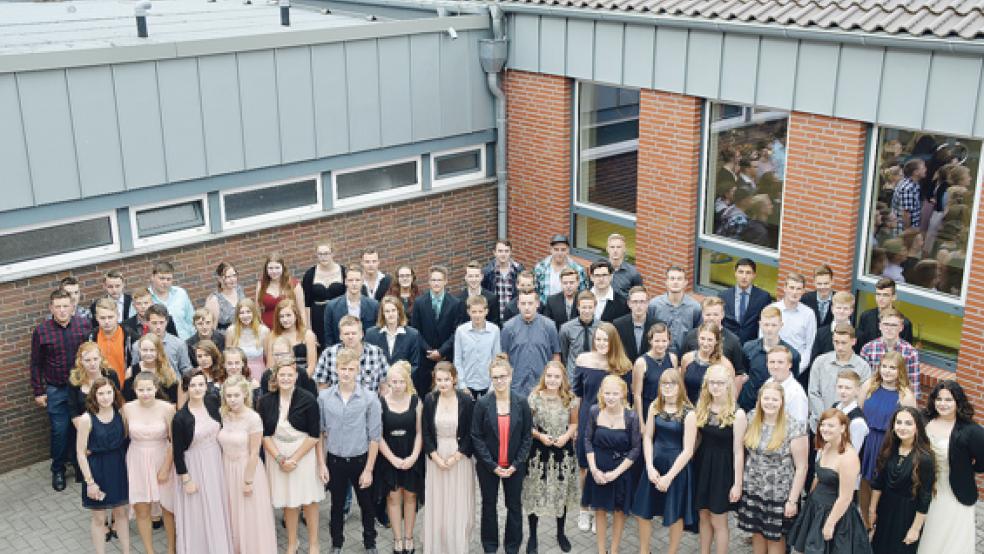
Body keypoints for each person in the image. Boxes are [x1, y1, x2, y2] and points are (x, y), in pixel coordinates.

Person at [318, 347, 382, 554]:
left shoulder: (369, 398)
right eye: (342, 368)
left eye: (351, 369)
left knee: (367, 505)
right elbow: (319, 433)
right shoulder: (324, 398)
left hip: (361, 460)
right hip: (335, 461)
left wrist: (369, 470)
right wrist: (321, 464)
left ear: (358, 371)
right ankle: (337, 544)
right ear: (336, 369)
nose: (346, 373)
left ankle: (370, 543)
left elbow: (374, 437)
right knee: (336, 506)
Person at [258, 358, 325, 554]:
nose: (286, 378)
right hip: (277, 454)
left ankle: (314, 543)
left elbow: (314, 435)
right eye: (282, 375)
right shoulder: (265, 401)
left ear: (296, 376)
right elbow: (264, 435)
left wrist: (294, 458)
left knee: (309, 500)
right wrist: (280, 459)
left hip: (303, 454)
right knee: (288, 501)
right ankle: (291, 543)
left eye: (290, 375)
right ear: (276, 378)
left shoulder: (309, 400)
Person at [572, 322, 633, 532]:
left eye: (605, 339)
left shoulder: (623, 365)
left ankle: (601, 510)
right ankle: (584, 509)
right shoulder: (583, 360)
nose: (601, 343)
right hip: (587, 419)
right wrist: (575, 425)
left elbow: (627, 400)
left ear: (613, 341)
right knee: (584, 467)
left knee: (605, 465)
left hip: (611, 425)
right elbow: (577, 395)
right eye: (597, 339)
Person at [31, 288, 93, 491]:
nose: (62, 310)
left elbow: (90, 355)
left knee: (81, 428)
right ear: (51, 308)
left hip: (80, 388)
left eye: (65, 306)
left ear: (72, 307)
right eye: (57, 307)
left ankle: (79, 467)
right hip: (56, 389)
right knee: (60, 431)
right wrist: (39, 391)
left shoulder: (83, 325)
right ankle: (57, 469)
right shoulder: (42, 331)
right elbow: (36, 364)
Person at [737, 382, 809, 554]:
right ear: (760, 399)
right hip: (754, 488)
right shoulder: (752, 418)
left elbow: (802, 467)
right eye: (766, 398)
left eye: (774, 399)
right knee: (757, 534)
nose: (770, 403)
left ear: (782, 401)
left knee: (774, 538)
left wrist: (792, 501)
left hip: (779, 493)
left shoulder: (793, 426)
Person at [471, 355, 533, 554]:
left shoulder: (521, 403)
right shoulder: (482, 404)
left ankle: (512, 547)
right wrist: (492, 465)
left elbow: (527, 437)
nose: (499, 381)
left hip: (515, 466)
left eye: (503, 376)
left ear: (510, 376)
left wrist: (516, 464)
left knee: (514, 506)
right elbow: (476, 437)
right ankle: (490, 546)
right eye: (495, 377)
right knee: (489, 506)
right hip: (489, 467)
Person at [787, 409, 870, 554]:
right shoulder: (826, 446)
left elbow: (845, 497)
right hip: (815, 508)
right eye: (823, 425)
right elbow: (817, 478)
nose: (825, 429)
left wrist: (830, 524)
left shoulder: (848, 458)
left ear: (843, 428)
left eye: (831, 426)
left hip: (835, 514)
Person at [632, 368, 696, 554]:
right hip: (655, 463)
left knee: (675, 515)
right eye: (664, 383)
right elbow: (648, 438)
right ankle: (644, 551)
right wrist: (649, 466)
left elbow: (688, 450)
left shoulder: (689, 412)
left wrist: (668, 477)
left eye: (672, 383)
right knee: (643, 512)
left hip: (676, 468)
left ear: (679, 386)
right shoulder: (654, 406)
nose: (667, 387)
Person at [171, 370, 235, 553]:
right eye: (193, 385)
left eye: (201, 384)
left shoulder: (213, 403)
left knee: (217, 506)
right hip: (195, 466)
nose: (197, 388)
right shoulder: (180, 418)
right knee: (198, 512)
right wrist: (186, 480)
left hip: (216, 462)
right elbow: (177, 453)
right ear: (186, 388)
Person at [917, 381, 984, 553]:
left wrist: (967, 470)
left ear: (958, 402)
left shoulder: (971, 430)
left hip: (953, 492)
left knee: (949, 535)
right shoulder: (924, 419)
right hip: (923, 487)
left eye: (949, 400)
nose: (942, 404)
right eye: (939, 399)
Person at [522, 360, 578, 553]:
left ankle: (561, 533)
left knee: (560, 493)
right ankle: (533, 536)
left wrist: (565, 437)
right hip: (539, 452)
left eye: (557, 376)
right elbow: (526, 426)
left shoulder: (570, 398)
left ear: (563, 378)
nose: (553, 380)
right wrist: (540, 436)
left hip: (563, 451)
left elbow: (574, 424)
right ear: (544, 377)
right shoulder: (534, 397)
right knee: (536, 492)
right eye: (549, 376)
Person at [217, 375, 277, 554]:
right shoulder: (224, 415)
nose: (232, 399)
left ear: (245, 394)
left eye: (236, 395)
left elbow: (254, 452)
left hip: (247, 470)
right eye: (228, 395)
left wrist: (248, 481)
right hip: (227, 468)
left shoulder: (253, 418)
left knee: (249, 516)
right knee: (232, 514)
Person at [583, 375, 641, 554]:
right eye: (607, 393)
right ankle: (601, 551)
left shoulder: (631, 417)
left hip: (621, 471)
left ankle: (614, 550)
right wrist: (593, 469)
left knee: (619, 512)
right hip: (598, 470)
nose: (610, 397)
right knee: (599, 511)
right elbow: (587, 440)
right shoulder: (594, 411)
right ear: (601, 393)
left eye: (615, 393)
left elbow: (635, 449)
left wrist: (616, 473)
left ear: (623, 394)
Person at [858, 351, 917, 528]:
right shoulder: (869, 385)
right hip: (867, 441)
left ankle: (880, 523)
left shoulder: (905, 395)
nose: (887, 371)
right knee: (864, 481)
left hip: (888, 444)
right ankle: (865, 523)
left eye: (893, 367)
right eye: (884, 366)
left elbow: (911, 426)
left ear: (900, 371)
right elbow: (859, 412)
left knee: (883, 483)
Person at [422, 361, 476, 554]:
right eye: (439, 380)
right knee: (438, 501)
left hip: (459, 457)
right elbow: (426, 432)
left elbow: (471, 432)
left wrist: (457, 456)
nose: (443, 383)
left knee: (457, 500)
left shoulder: (466, 400)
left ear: (454, 379)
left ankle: (456, 545)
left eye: (447, 379)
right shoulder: (429, 399)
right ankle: (438, 545)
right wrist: (435, 457)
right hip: (437, 456)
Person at [693, 365, 746, 554]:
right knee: (704, 516)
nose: (715, 387)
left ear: (728, 385)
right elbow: (698, 439)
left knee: (718, 519)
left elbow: (739, 451)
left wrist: (737, 484)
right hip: (702, 466)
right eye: (712, 382)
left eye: (720, 383)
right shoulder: (703, 406)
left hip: (722, 470)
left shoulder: (737, 414)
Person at [869, 406, 935, 554]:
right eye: (898, 422)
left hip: (906, 515)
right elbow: (878, 483)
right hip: (885, 510)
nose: (902, 427)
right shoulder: (888, 449)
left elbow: (925, 497)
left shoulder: (924, 458)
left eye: (908, 423)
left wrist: (915, 529)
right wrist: (872, 511)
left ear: (917, 427)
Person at [123, 371, 177, 554]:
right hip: (137, 458)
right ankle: (149, 551)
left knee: (168, 508)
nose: (145, 393)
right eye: (141, 390)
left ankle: (172, 549)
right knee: (142, 508)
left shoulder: (167, 408)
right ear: (135, 390)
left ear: (156, 388)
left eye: (149, 389)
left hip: (161, 456)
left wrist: (166, 467)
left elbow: (174, 440)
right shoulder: (127, 409)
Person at [75, 377, 130, 554]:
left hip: (118, 468)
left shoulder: (121, 412)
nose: (105, 397)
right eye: (101, 393)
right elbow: (80, 453)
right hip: (96, 470)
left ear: (114, 394)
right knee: (99, 518)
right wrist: (90, 482)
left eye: (109, 392)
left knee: (121, 514)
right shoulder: (86, 419)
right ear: (94, 395)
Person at [375, 362, 424, 554]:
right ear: (388, 382)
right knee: (393, 497)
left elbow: (420, 433)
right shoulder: (381, 402)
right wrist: (392, 459)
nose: (397, 385)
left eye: (401, 381)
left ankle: (409, 538)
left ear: (407, 382)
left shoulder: (416, 401)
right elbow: (377, 435)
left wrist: (413, 456)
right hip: (389, 456)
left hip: (411, 454)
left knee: (411, 496)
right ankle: (397, 539)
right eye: (393, 381)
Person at [807, 323, 871, 434]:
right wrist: (827, 419)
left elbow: (862, 398)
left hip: (847, 428)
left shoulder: (863, 367)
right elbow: (813, 393)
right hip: (819, 425)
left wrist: (841, 421)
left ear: (853, 341)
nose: (840, 347)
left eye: (844, 343)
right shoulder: (820, 362)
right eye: (836, 342)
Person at [410, 265, 462, 396]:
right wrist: (429, 350)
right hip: (425, 359)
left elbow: (457, 331)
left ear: (445, 281)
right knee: (426, 395)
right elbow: (415, 330)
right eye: (433, 280)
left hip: (446, 357)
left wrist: (441, 351)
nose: (436, 283)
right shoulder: (419, 303)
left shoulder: (455, 303)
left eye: (439, 280)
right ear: (429, 282)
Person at [737, 306, 800, 412]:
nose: (769, 329)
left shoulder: (792, 354)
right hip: (748, 405)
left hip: (774, 408)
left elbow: (792, 380)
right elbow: (745, 374)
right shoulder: (748, 347)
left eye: (774, 325)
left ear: (781, 325)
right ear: (760, 324)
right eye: (766, 324)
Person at [500, 289, 562, 397]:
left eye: (530, 303)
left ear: (537, 304)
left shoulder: (549, 326)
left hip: (543, 387)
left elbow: (556, 356)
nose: (527, 307)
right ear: (518, 305)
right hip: (516, 387)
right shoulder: (508, 328)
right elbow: (504, 357)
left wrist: (553, 382)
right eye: (523, 304)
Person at [312, 315, 390, 391]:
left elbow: (385, 385)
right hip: (338, 403)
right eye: (346, 334)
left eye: (354, 333)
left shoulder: (376, 353)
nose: (350, 337)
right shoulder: (328, 354)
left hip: (369, 403)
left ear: (362, 334)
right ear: (340, 336)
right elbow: (322, 386)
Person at [768, 273, 816, 387]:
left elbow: (810, 346)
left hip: (796, 371)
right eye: (792, 288)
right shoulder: (772, 309)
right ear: (785, 288)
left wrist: (797, 368)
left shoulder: (808, 314)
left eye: (798, 289)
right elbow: (763, 340)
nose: (794, 292)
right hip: (772, 367)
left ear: (803, 291)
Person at [860, 309, 920, 397]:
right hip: (872, 396)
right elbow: (862, 380)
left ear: (901, 328)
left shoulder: (910, 352)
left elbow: (913, 386)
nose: (889, 328)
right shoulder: (868, 349)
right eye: (886, 324)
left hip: (899, 398)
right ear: (880, 326)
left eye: (894, 325)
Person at [680, 296, 746, 375]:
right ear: (702, 314)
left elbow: (739, 375)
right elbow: (681, 366)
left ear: (722, 315)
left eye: (715, 314)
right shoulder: (691, 336)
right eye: (708, 314)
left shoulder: (733, 341)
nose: (711, 318)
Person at [453, 295, 501, 397]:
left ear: (486, 311)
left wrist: (493, 386)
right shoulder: (461, 331)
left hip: (487, 384)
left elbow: (496, 360)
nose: (477, 315)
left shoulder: (494, 330)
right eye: (474, 312)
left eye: (480, 311)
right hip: (467, 384)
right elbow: (458, 360)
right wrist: (462, 385)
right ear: (468, 312)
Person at [648, 266, 702, 356]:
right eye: (672, 278)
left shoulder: (695, 307)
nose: (675, 282)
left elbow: (698, 334)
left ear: (685, 283)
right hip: (659, 355)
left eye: (679, 279)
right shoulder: (654, 305)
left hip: (685, 356)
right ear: (666, 282)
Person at [301, 243, 346, 350]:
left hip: (339, 314)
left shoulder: (343, 271)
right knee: (323, 348)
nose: (323, 257)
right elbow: (306, 304)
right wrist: (309, 329)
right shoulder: (310, 274)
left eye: (326, 253)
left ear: (333, 253)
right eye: (320, 254)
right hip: (318, 317)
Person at [127, 304, 193, 378]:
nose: (158, 327)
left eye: (161, 322)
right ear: (147, 322)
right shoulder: (138, 345)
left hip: (173, 386)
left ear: (167, 322)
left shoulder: (179, 344)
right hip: (147, 386)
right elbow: (135, 372)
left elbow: (186, 370)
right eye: (154, 323)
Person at [323, 263, 379, 347]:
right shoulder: (332, 306)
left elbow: (376, 334)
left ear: (362, 281)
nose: (354, 283)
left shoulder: (374, 305)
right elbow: (329, 337)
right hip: (341, 353)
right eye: (351, 280)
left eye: (357, 280)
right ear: (345, 282)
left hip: (367, 354)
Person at [632, 323, 678, 422]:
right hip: (647, 409)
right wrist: (640, 422)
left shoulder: (672, 358)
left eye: (664, 341)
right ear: (650, 341)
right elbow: (637, 395)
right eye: (657, 341)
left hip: (667, 409)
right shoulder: (641, 362)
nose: (660, 344)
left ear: (669, 341)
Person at [366, 295, 423, 375]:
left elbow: (415, 364)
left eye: (393, 310)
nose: (391, 314)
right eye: (387, 311)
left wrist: (400, 379)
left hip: (403, 383)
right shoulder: (371, 334)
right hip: (380, 383)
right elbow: (368, 362)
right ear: (382, 313)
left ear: (399, 311)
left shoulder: (412, 334)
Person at [680, 322, 734, 405]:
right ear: (697, 338)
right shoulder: (687, 358)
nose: (705, 343)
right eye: (702, 338)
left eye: (710, 340)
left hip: (712, 411)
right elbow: (681, 386)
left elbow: (730, 394)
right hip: (689, 408)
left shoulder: (725, 364)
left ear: (716, 341)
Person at [719, 258, 772, 344]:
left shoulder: (763, 297)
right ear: (735, 273)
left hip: (751, 345)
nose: (744, 276)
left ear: (754, 275)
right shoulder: (723, 296)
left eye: (748, 272)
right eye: (741, 272)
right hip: (728, 344)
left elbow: (766, 323)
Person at [69, 342, 123, 425]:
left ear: (101, 358)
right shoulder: (75, 381)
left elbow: (118, 403)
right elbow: (74, 413)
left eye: (95, 359)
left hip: (111, 423)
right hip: (86, 426)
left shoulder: (111, 375)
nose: (92, 364)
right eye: (87, 360)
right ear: (80, 361)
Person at [90, 297, 137, 384]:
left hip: (125, 389)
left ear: (118, 316)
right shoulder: (91, 337)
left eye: (110, 317)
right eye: (103, 318)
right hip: (100, 390)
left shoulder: (130, 336)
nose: (107, 321)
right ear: (96, 318)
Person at [855, 278, 914, 348]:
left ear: (894, 297)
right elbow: (859, 346)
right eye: (878, 294)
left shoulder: (905, 323)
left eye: (885, 295)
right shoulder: (865, 316)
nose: (881, 298)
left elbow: (906, 350)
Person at [265, 298, 317, 376]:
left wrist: (299, 380)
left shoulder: (307, 335)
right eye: (281, 316)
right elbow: (270, 366)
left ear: (296, 315)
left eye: (288, 315)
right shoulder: (273, 336)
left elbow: (312, 366)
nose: (285, 319)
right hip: (281, 380)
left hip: (304, 378)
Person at [256, 252, 305, 330]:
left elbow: (301, 311)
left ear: (283, 268)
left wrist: (303, 329)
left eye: (277, 268)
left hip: (290, 328)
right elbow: (257, 309)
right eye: (270, 268)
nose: (274, 271)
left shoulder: (294, 285)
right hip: (268, 329)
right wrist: (261, 327)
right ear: (266, 269)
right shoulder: (261, 284)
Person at [123, 334, 179, 404]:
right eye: (145, 350)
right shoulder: (131, 372)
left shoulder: (168, 370)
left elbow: (173, 401)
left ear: (159, 351)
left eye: (152, 350)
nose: (148, 353)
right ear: (139, 350)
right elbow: (126, 400)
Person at [533, 234, 588, 303]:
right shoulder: (540, 268)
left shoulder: (578, 270)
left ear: (568, 250)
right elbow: (535, 292)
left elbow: (583, 294)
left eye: (563, 250)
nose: (559, 253)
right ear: (550, 249)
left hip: (568, 309)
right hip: (545, 308)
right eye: (556, 249)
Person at [148, 261, 196, 340]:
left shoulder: (181, 293)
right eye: (162, 278)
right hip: (157, 346)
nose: (165, 282)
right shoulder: (145, 298)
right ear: (152, 277)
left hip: (186, 341)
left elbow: (191, 320)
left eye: (168, 279)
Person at [558, 291, 599, 380]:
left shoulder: (602, 328)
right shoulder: (566, 328)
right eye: (584, 307)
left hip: (596, 374)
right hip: (573, 377)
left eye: (590, 307)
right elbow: (564, 354)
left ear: (595, 307)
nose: (587, 311)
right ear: (578, 307)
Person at [226, 298, 270, 380]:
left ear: (254, 313)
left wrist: (267, 378)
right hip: (237, 375)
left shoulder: (264, 331)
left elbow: (269, 358)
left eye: (248, 312)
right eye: (241, 313)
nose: (245, 316)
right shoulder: (231, 331)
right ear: (237, 315)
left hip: (259, 374)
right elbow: (226, 358)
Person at [481, 238, 525, 318]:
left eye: (506, 251)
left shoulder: (519, 270)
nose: (503, 254)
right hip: (494, 316)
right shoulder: (487, 272)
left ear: (510, 252)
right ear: (494, 252)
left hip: (514, 316)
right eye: (500, 251)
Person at [765, 345, 808, 424]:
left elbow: (800, 427)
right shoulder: (768, 382)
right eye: (772, 362)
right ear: (766, 364)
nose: (775, 366)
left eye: (780, 362)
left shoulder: (796, 394)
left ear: (789, 365)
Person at [613, 286, 656, 363]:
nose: (638, 306)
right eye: (635, 301)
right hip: (624, 370)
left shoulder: (657, 325)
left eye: (642, 301)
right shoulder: (618, 325)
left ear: (648, 303)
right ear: (629, 303)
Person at [811, 291, 855, 360]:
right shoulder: (821, 332)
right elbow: (814, 359)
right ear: (832, 309)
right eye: (838, 308)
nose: (841, 311)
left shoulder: (858, 334)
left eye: (845, 308)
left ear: (851, 311)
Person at [832, 371, 869, 455]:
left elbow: (853, 452)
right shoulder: (835, 406)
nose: (843, 391)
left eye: (848, 388)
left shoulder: (857, 421)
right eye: (840, 387)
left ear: (857, 390)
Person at [457, 260, 501, 327]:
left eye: (476, 276)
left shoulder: (492, 298)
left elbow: (495, 323)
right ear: (466, 277)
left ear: (482, 277)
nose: (474, 279)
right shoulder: (458, 300)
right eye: (470, 276)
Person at [205, 262, 246, 332]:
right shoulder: (214, 299)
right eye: (228, 277)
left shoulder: (239, 290)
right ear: (220, 279)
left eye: (234, 275)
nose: (233, 279)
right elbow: (211, 329)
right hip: (225, 339)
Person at [892, 158, 926, 234]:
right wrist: (908, 232)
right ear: (916, 172)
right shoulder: (908, 188)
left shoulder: (914, 184)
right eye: (923, 168)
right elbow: (906, 214)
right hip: (905, 231)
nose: (925, 170)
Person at [605, 233, 643, 297]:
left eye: (619, 247)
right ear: (607, 249)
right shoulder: (598, 269)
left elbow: (639, 297)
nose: (615, 250)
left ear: (624, 249)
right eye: (612, 247)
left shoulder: (634, 273)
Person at [801, 265, 835, 329]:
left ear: (832, 281)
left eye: (826, 283)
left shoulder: (839, 300)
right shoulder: (805, 299)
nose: (823, 287)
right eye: (819, 284)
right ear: (814, 283)